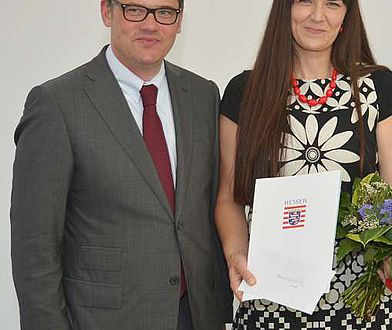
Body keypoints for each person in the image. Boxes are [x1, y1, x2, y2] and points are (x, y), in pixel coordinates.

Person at [10, 0, 232, 329]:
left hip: (195, 315)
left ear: (180, 20)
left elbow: (208, 208)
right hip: (103, 319)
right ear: (106, 11)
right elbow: (35, 247)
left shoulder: (203, 94)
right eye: (135, 9)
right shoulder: (57, 103)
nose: (150, 24)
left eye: (165, 12)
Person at [215, 0, 392, 329]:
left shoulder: (379, 89)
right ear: (285, 9)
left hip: (363, 299)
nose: (318, 16)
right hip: (270, 296)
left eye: (332, 3)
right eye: (306, 1)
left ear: (346, 15)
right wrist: (235, 254)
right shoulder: (245, 92)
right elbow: (230, 196)